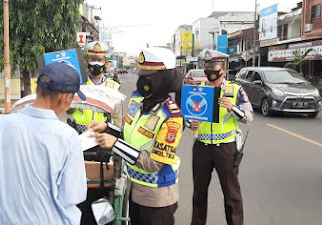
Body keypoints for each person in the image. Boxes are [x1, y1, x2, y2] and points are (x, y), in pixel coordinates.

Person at [0, 62, 87, 225]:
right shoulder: (67, 137)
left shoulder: (0, 126)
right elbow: (72, 195)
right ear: (64, 97)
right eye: (72, 97)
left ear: (37, 90)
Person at [88, 47, 184, 225]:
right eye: (141, 75)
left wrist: (115, 144)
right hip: (134, 189)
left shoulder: (172, 118)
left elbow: (153, 164)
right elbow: (128, 133)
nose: (141, 82)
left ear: (162, 78)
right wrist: (107, 127)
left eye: (147, 77)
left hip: (156, 197)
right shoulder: (138, 103)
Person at [188, 49, 254, 225]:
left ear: (223, 69)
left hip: (226, 148)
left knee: (232, 194)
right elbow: (188, 116)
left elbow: (249, 118)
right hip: (201, 146)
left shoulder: (235, 90)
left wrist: (233, 108)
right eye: (206, 67)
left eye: (213, 67)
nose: (209, 70)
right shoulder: (199, 90)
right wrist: (190, 124)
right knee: (199, 193)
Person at [71, 41, 123, 132]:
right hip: (79, 134)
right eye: (93, 59)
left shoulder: (113, 86)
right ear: (86, 61)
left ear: (105, 63)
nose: (96, 63)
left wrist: (116, 136)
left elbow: (117, 117)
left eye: (99, 60)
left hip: (103, 136)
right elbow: (69, 111)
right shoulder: (78, 83)